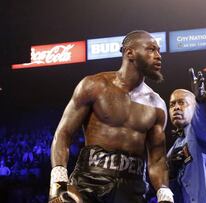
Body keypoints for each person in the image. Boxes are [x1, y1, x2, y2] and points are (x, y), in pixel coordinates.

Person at [49, 30, 173, 203]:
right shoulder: (94, 85)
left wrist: (164, 194)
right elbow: (63, 134)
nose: (158, 55)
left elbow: (157, 159)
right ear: (130, 53)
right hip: (88, 183)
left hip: (133, 188)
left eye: (158, 50)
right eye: (151, 49)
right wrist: (58, 181)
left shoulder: (157, 105)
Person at [167, 68, 206, 203]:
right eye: (172, 104)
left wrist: (202, 101)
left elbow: (203, 118)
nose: (176, 108)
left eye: (182, 102)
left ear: (194, 107)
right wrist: (171, 174)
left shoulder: (200, 132)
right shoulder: (171, 151)